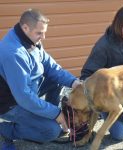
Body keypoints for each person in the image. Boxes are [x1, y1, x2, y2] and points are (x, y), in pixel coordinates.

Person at [0, 9, 81, 150]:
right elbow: (23, 97)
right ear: (25, 28)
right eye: (39, 33)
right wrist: (57, 114)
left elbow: (51, 67)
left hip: (26, 90)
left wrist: (74, 82)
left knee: (57, 80)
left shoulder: (30, 38)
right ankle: (5, 131)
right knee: (51, 131)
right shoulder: (13, 53)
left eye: (44, 32)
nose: (43, 37)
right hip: (10, 103)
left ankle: (44, 118)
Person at [80, 3, 123, 141]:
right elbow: (86, 75)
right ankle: (100, 112)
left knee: (119, 135)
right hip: (109, 94)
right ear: (118, 25)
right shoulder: (104, 44)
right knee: (119, 135)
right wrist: (99, 99)